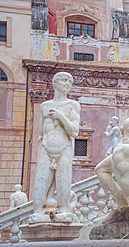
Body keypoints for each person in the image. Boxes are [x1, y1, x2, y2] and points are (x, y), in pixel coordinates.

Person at [30, 72, 81, 223]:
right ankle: (38, 211)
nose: (67, 84)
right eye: (64, 81)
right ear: (55, 84)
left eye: (69, 82)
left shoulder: (73, 105)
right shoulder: (44, 106)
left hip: (64, 147)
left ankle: (64, 209)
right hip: (45, 148)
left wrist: (61, 117)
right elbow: (40, 132)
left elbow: (75, 131)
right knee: (41, 180)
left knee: (63, 181)